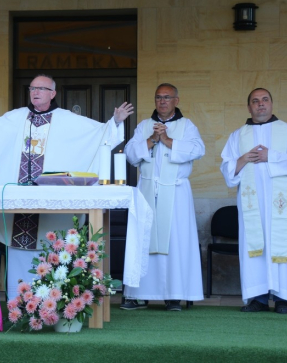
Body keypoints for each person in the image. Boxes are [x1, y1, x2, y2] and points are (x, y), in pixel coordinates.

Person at [0, 74, 134, 298]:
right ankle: (17, 304)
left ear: (53, 94)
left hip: (50, 208)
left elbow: (98, 135)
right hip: (18, 206)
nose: (35, 92)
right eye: (32, 88)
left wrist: (115, 122)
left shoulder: (68, 120)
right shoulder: (16, 118)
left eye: (41, 88)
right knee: (19, 256)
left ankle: (52, 303)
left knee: (51, 249)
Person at [122, 83, 205, 311]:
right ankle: (139, 295)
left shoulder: (187, 126)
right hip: (147, 190)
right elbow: (130, 154)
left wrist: (168, 140)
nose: (163, 101)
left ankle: (174, 296)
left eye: (167, 97)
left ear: (176, 100)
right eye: (159, 97)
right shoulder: (144, 126)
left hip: (176, 192)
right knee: (144, 239)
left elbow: (198, 150)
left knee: (175, 242)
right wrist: (151, 140)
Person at [221, 88, 287, 314]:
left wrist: (272, 157)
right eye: (255, 101)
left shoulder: (285, 131)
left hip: (281, 204)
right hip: (252, 205)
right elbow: (227, 170)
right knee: (254, 245)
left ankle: (283, 298)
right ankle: (257, 298)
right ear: (249, 107)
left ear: (271, 103)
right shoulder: (238, 136)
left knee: (282, 244)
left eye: (265, 100)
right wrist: (241, 159)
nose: (260, 105)